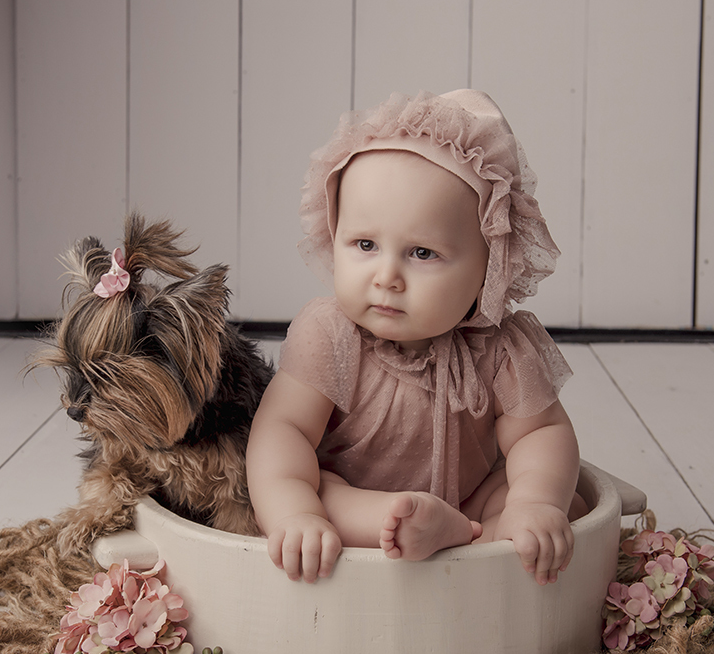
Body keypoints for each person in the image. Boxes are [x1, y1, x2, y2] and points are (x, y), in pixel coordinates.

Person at [247, 89, 582, 585]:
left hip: (469, 497)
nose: (387, 277)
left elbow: (541, 433)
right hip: (360, 501)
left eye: (422, 254)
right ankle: (429, 531)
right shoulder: (331, 335)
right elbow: (283, 431)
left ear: (490, 267)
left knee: (550, 503)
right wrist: (295, 514)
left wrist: (535, 501)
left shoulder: (499, 349)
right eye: (365, 244)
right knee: (323, 495)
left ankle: (476, 532)